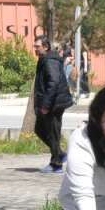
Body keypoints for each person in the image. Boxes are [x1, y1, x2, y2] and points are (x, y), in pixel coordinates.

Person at [33, 35, 74, 172]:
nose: (35, 49)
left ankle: (56, 164)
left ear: (46, 47)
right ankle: (60, 155)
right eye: (35, 46)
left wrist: (45, 105)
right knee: (41, 129)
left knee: (52, 132)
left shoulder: (50, 60)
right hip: (52, 103)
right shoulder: (45, 59)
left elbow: (53, 83)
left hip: (54, 104)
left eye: (37, 47)